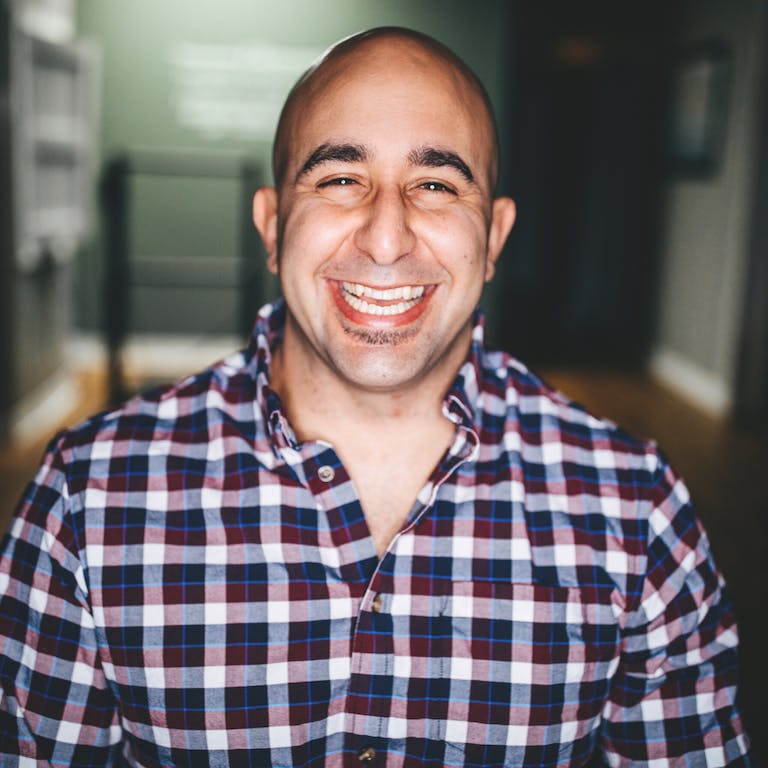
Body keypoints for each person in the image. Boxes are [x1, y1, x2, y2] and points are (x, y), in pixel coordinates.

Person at [0, 26, 752, 768]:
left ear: (493, 238)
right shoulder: (88, 498)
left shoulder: (636, 511)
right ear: (272, 226)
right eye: (339, 179)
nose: (386, 238)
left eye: (436, 185)